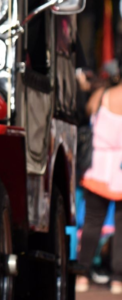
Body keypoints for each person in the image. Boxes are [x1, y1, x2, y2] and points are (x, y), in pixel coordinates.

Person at [76, 65, 122, 293]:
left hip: (98, 168)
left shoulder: (101, 95)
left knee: (92, 223)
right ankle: (117, 279)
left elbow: (86, 113)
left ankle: (82, 275)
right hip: (120, 169)